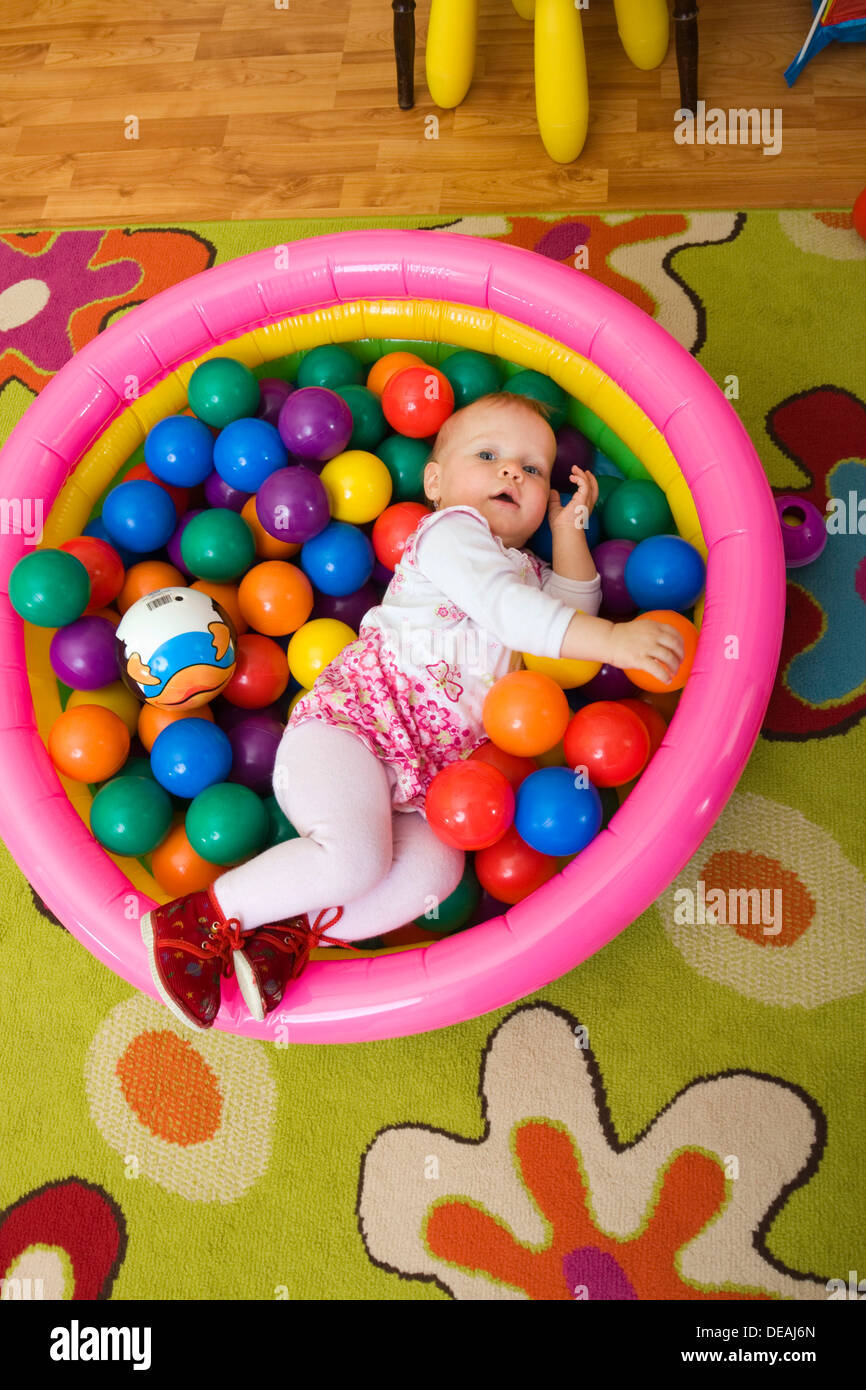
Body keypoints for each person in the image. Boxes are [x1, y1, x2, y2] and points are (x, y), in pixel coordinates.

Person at [140, 392, 685, 1031]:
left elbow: (569, 613)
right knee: (357, 860)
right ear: (435, 481)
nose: (512, 472)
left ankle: (289, 928)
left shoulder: (527, 570)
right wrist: (618, 642)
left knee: (440, 867)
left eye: (532, 469)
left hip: (427, 776)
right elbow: (526, 620)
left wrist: (570, 535)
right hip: (349, 731)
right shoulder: (452, 533)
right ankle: (198, 919)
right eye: (489, 455)